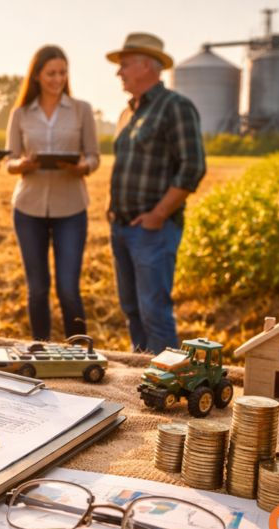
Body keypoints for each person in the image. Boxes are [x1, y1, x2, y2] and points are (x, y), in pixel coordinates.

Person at [105, 33, 206, 354]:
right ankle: (140, 373)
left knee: (154, 314)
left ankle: (165, 377)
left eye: (125, 65)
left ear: (146, 65)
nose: (119, 72)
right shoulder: (128, 113)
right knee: (132, 310)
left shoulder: (176, 107)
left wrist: (158, 215)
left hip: (153, 231)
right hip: (122, 227)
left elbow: (192, 167)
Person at [6, 45, 99, 341]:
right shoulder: (20, 113)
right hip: (28, 209)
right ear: (37, 75)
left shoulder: (82, 110)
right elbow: (9, 160)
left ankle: (79, 353)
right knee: (37, 289)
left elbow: (94, 156)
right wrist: (22, 164)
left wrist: (83, 166)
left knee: (68, 289)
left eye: (62, 73)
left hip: (71, 209)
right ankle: (41, 350)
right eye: (51, 73)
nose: (58, 79)